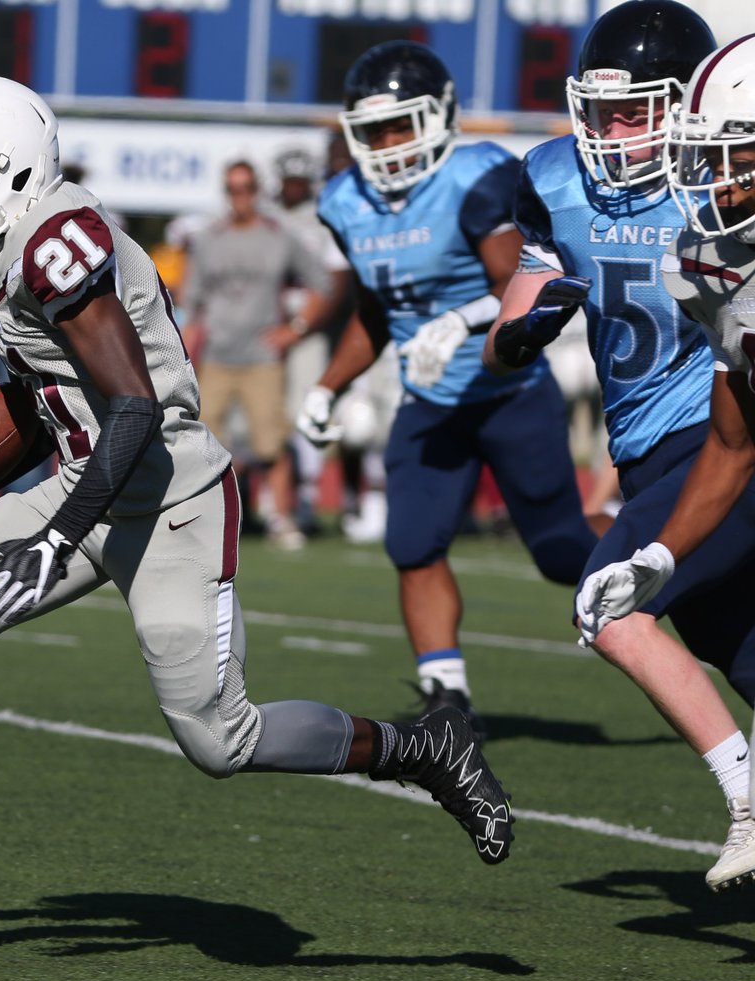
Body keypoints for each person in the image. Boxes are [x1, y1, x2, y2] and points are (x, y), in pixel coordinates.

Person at [0, 75, 514, 943]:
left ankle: (422, 749)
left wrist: (56, 534)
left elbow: (132, 407)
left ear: (10, 174)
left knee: (219, 740)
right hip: (87, 477)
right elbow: (50, 392)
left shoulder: (55, 242)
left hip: (169, 493)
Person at [482, 3, 755, 893]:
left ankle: (747, 805)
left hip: (717, 435)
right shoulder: (556, 180)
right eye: (601, 112)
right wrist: (523, 331)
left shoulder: (720, 175)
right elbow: (515, 313)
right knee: (741, 650)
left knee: (611, 609)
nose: (613, 133)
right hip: (645, 445)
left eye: (636, 110)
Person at [296, 41, 598, 729]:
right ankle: (446, 694)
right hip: (430, 402)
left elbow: (520, 283)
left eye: (402, 124)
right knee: (412, 543)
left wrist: (457, 321)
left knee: (560, 556)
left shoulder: (477, 177)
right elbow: (376, 309)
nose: (389, 143)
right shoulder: (345, 202)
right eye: (374, 130)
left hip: (507, 391)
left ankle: (647, 548)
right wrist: (328, 386)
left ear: (440, 117)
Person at [574, 33, 755, 874]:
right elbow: (732, 440)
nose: (716, 185)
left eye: (738, 160)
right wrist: (658, 553)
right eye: (709, 160)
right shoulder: (713, 264)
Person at [179, 159, 332, 550]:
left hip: (262, 355)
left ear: (258, 191)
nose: (240, 197)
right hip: (217, 355)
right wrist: (183, 355)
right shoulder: (210, 238)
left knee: (270, 443)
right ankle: (207, 520)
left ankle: (282, 517)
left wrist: (294, 329)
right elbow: (190, 304)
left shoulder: (278, 235)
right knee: (203, 443)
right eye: (233, 189)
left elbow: (322, 282)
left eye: (246, 188)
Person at [271, 147, 352, 536]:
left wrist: (304, 324)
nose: (294, 189)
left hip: (310, 324)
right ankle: (273, 502)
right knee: (267, 416)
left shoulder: (323, 218)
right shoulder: (265, 216)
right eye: (289, 181)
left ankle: (304, 499)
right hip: (267, 324)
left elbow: (334, 283)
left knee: (307, 408)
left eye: (300, 182)